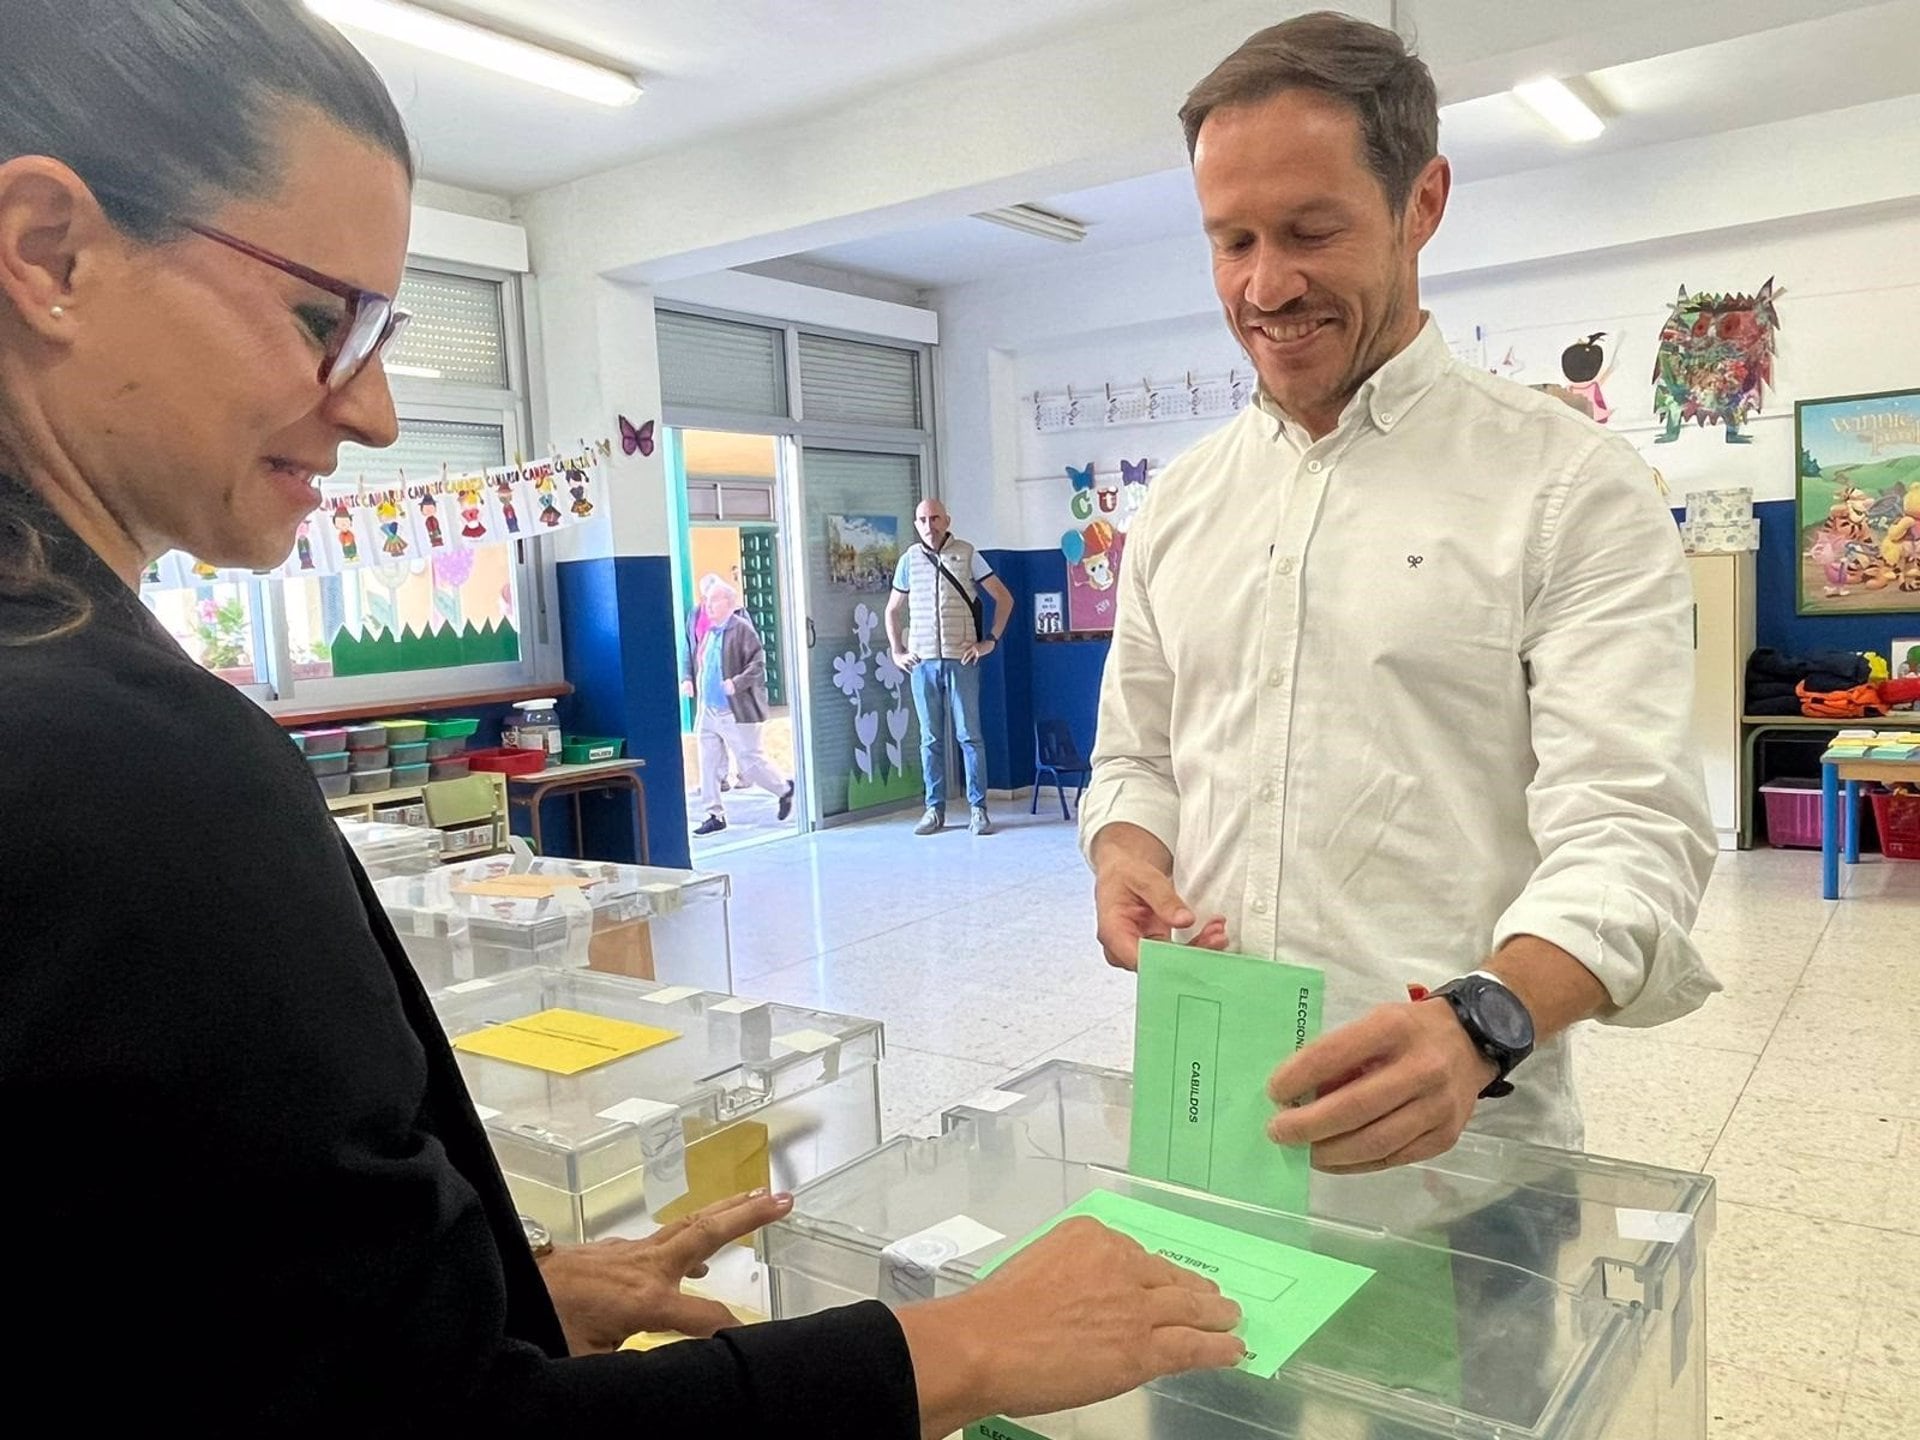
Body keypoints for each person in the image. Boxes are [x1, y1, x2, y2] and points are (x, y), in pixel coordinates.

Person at [0, 2, 1244, 1429]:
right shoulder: (122, 765)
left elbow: (160, 1308)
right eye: (319, 319)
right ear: (51, 252)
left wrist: (494, 1293)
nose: (379, 413)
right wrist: (954, 1348)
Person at [1084, 12, 1717, 1173]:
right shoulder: (1180, 502)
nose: (1266, 284)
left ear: (1422, 203)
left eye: (1311, 230)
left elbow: (1633, 832)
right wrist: (1124, 855)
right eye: (1232, 241)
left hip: (1464, 1151)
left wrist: (1479, 1025)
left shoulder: (1568, 486)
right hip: (1211, 1113)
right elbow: (1137, 756)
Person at [886, 498, 1014, 836]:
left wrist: (990, 641)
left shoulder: (968, 554)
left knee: (970, 736)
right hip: (922, 662)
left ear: (947, 520)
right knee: (930, 739)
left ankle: (978, 809)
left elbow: (1004, 598)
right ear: (916, 524)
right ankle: (934, 809)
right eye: (922, 519)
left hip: (962, 659)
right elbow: (892, 610)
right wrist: (897, 652)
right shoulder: (908, 560)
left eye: (935, 518)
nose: (929, 525)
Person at [681, 574, 794, 836]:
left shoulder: (742, 629)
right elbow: (696, 657)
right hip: (709, 709)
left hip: (735, 710)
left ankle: (783, 789)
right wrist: (689, 679)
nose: (708, 606)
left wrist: (736, 683)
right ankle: (714, 814)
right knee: (708, 762)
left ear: (729, 603)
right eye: (707, 600)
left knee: (750, 761)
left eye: (714, 601)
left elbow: (758, 664)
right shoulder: (709, 631)